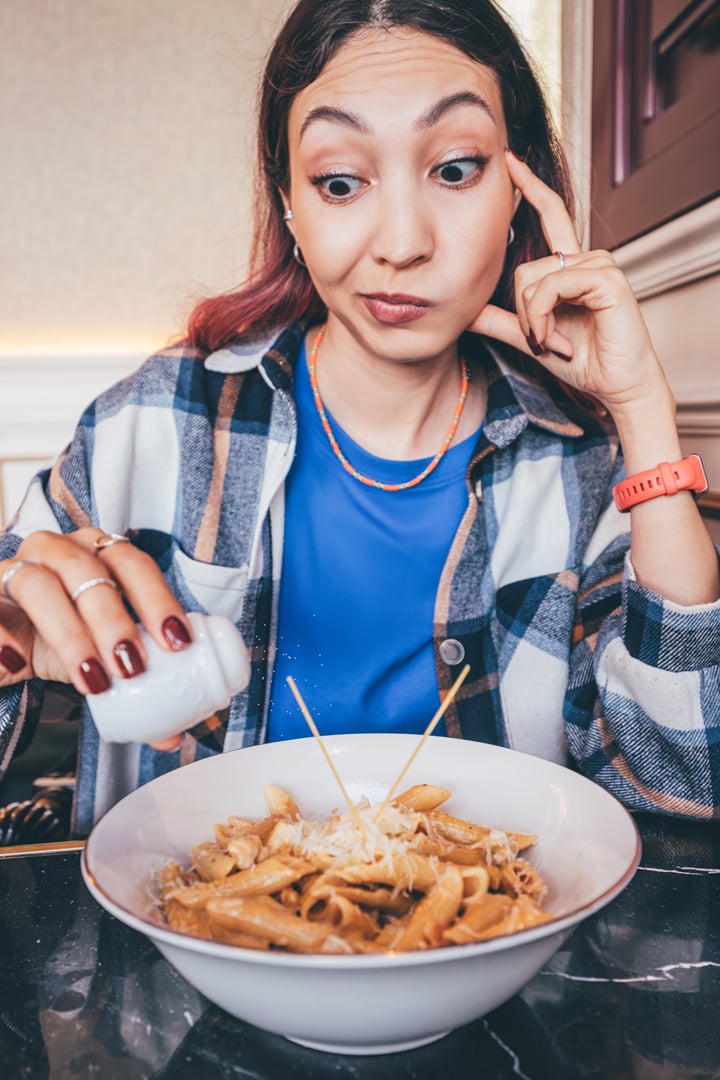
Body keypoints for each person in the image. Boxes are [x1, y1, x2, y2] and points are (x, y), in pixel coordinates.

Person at [0, 0, 718, 837]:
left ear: (518, 193)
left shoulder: (587, 470)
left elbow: (685, 785)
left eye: (456, 169)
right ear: (290, 205)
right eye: (340, 182)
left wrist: (642, 409)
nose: (402, 242)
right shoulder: (150, 424)